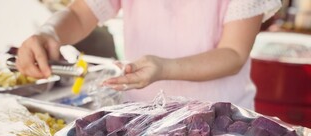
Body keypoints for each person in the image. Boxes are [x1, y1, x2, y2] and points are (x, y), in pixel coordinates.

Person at [16, 0, 282, 110]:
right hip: (143, 115)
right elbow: (79, 14)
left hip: (221, 120)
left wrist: (163, 67)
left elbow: (233, 53)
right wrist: (49, 33)